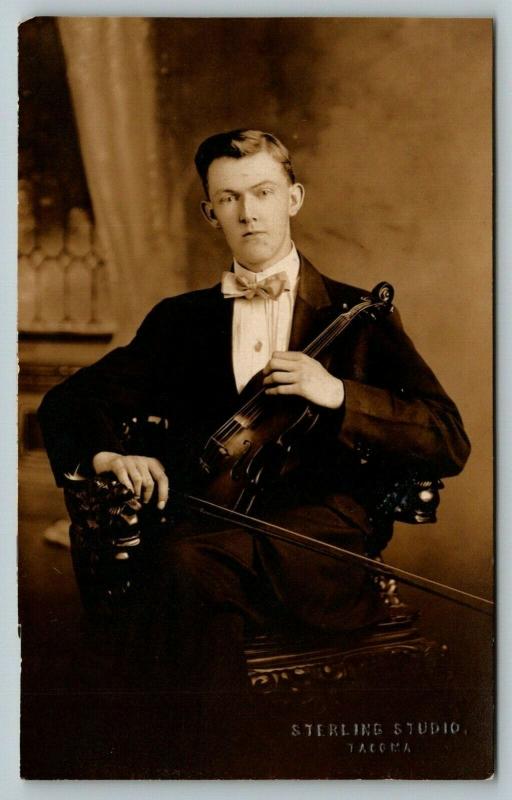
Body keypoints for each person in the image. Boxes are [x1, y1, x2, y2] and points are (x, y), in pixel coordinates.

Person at [38, 129, 470, 724]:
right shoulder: (178, 321)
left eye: (263, 192)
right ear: (209, 211)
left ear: (293, 198)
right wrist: (111, 457)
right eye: (230, 197)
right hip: (207, 528)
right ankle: (209, 761)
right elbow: (69, 401)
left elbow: (447, 436)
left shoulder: (357, 315)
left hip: (316, 546)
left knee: (177, 570)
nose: (249, 211)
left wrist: (339, 393)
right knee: (190, 584)